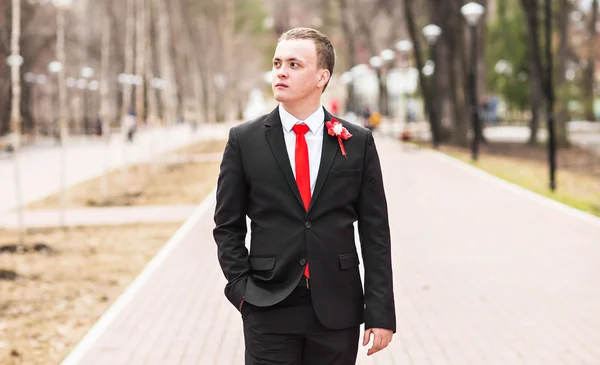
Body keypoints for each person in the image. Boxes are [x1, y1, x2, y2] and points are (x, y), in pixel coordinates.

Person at [214, 27, 396, 365]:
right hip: (268, 304)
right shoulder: (244, 141)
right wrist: (242, 292)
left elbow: (375, 232)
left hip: (338, 308)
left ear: (321, 77)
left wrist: (381, 312)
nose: (281, 71)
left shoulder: (357, 142)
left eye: (294, 64)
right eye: (277, 62)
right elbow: (227, 224)